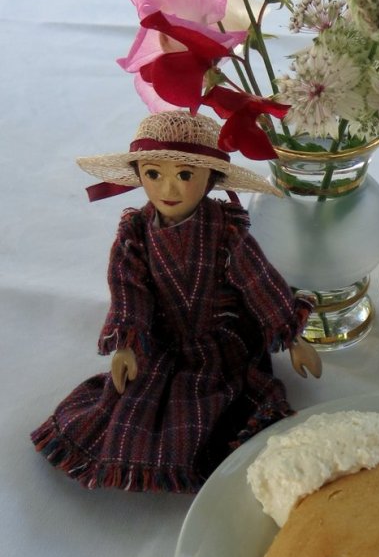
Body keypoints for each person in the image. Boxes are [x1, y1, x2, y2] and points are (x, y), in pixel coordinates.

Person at [31, 110, 321, 494]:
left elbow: (258, 282)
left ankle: (213, 459)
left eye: (185, 174)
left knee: (216, 402)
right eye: (154, 174)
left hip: (221, 344)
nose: (169, 188)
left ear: (210, 179)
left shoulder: (226, 233)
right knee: (135, 403)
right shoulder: (135, 236)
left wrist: (293, 337)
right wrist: (127, 343)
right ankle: (144, 460)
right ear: (139, 175)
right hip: (164, 341)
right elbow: (129, 290)